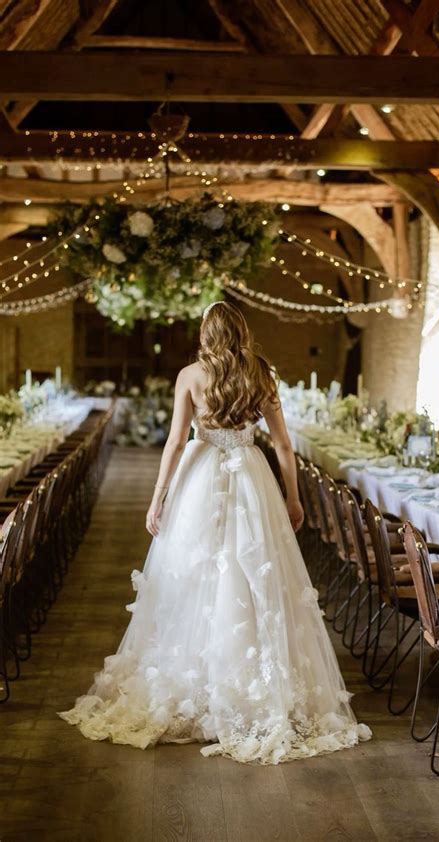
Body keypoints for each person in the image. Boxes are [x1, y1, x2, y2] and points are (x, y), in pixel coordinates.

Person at [58, 301, 371, 764]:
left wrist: (159, 495)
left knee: (196, 573)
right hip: (251, 475)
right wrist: (293, 496)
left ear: (206, 333)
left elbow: (176, 440)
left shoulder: (190, 375)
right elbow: (284, 444)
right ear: (241, 331)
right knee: (251, 574)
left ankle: (200, 688)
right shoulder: (262, 373)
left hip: (200, 473)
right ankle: (251, 687)